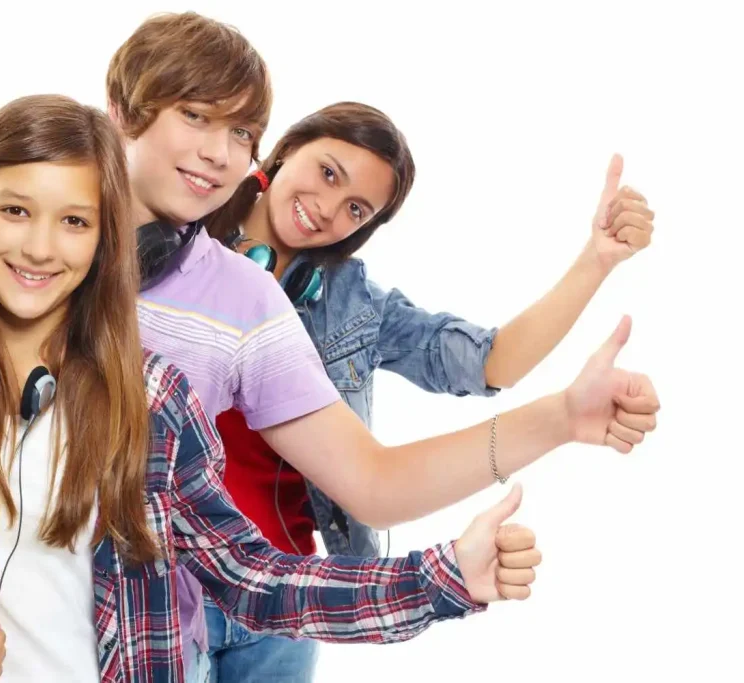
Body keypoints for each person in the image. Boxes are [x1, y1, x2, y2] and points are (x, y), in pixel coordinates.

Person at [0, 12, 660, 683]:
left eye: (240, 133)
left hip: (177, 626)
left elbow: (374, 475)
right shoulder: (10, 252)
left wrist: (561, 417)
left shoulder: (245, 300)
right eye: (197, 116)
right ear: (121, 112)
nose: (218, 152)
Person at [0, 93, 549, 683]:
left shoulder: (152, 402)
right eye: (16, 210)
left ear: (109, 239)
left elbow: (257, 577)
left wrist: (445, 576)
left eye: (75, 222)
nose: (41, 247)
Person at [201, 101, 656, 679]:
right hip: (168, 578)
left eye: (356, 209)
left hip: (288, 599)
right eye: (328, 172)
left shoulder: (354, 303)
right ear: (287, 148)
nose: (327, 210)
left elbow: (491, 361)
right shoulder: (181, 239)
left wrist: (596, 260)